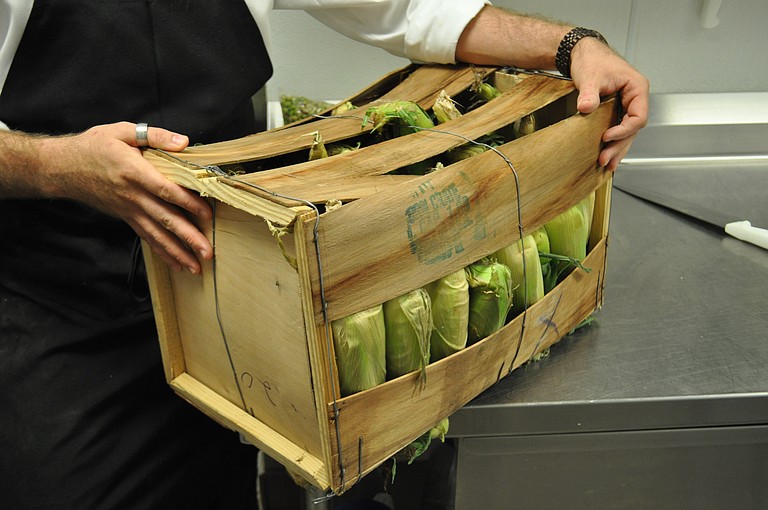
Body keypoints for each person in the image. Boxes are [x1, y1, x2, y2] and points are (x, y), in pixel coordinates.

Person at [0, 1, 648, 509]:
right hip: (61, 308)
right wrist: (60, 166)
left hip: (228, 294)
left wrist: (572, 46)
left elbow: (413, 10)